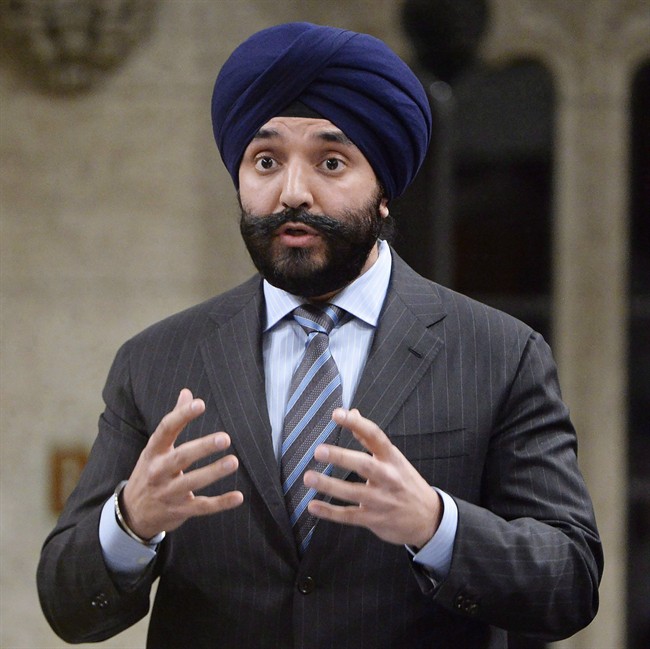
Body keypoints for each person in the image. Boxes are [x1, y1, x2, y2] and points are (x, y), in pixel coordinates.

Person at [37, 22, 603, 649]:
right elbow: (68, 606)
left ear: (384, 190)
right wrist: (130, 523)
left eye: (331, 163)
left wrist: (436, 526)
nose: (293, 193)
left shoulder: (500, 354)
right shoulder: (155, 360)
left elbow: (570, 582)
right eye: (266, 162)